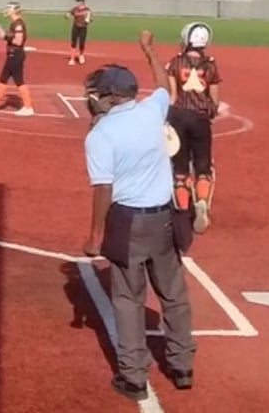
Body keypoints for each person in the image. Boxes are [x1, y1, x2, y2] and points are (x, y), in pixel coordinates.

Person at [81, 43, 196, 399]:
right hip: (163, 220)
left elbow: (103, 189)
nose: (92, 98)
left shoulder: (100, 135)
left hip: (128, 222)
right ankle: (182, 366)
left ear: (112, 96)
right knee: (174, 295)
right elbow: (163, 84)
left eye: (97, 93)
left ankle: (133, 376)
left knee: (128, 300)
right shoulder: (151, 111)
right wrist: (149, 53)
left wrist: (95, 235)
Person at [155, 22, 225, 233]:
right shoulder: (210, 65)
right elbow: (214, 100)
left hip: (179, 117)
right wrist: (208, 112)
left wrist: (167, 119)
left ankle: (183, 211)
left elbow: (172, 96)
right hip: (200, 119)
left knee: (180, 168)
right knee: (203, 166)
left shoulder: (175, 63)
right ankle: (201, 201)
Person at [0, 3, 35, 116]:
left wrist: (4, 36)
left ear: (14, 10)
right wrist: (4, 37)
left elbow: (18, 42)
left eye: (9, 8)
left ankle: (28, 107)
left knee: (19, 81)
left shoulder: (18, 24)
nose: (6, 10)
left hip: (15, 55)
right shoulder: (15, 23)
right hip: (13, 54)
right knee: (3, 79)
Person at [67, 0, 92, 65]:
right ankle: (72, 59)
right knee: (73, 43)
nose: (77, 3)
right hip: (75, 27)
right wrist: (67, 15)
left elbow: (90, 19)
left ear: (82, 2)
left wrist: (88, 19)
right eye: (77, 1)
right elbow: (69, 14)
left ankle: (81, 55)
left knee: (81, 43)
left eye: (78, 1)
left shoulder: (87, 10)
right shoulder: (75, 9)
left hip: (83, 28)